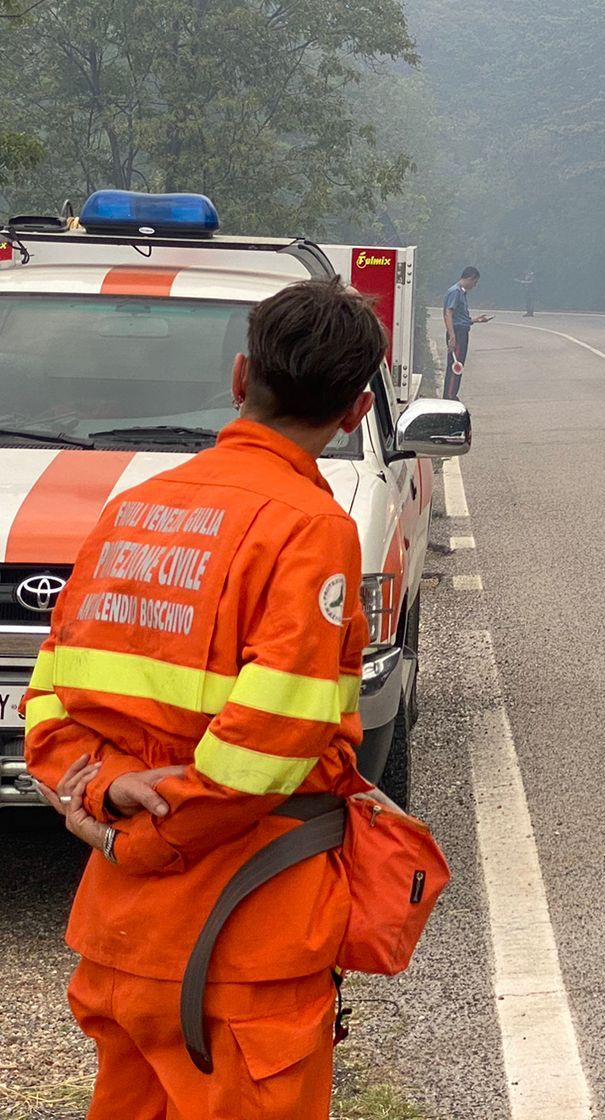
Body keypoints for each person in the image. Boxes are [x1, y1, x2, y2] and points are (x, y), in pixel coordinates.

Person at [24, 276, 387, 1118]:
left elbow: (46, 694)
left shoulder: (134, 511)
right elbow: (268, 743)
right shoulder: (312, 528)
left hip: (124, 939)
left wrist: (100, 790)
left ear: (237, 379)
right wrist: (144, 843)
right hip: (244, 938)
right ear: (358, 410)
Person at [442, 266, 490, 398]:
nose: (475, 285)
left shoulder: (461, 293)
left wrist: (476, 320)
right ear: (470, 278)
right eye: (475, 282)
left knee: (459, 365)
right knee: (455, 366)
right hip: (457, 333)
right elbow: (448, 314)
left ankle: (452, 394)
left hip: (461, 331)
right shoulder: (455, 292)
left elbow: (460, 318)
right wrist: (452, 336)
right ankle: (449, 396)